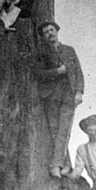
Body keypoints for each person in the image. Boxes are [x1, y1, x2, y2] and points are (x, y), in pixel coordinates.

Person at [33, 20, 84, 178]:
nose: (49, 33)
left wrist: (79, 92)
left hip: (68, 95)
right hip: (51, 96)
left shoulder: (69, 51)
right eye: (46, 32)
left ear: (57, 31)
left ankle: (56, 165)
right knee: (55, 131)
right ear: (43, 37)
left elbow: (78, 72)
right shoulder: (42, 53)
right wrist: (57, 71)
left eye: (51, 30)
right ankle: (66, 165)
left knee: (64, 130)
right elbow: (39, 74)